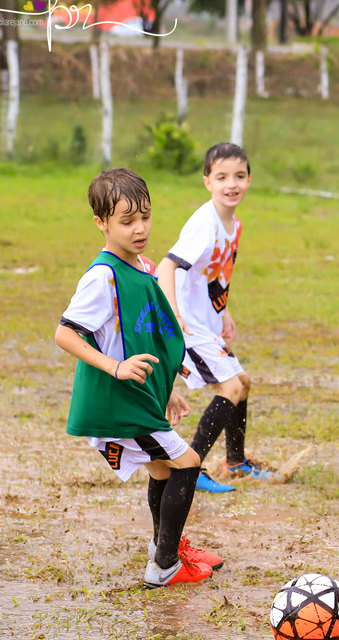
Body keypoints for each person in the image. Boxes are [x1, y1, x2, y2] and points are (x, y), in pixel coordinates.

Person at [55, 168, 222, 588]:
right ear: (102, 223)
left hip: (141, 398)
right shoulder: (102, 277)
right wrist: (116, 368)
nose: (140, 228)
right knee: (187, 463)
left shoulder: (142, 265)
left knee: (162, 470)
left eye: (145, 216)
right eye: (127, 221)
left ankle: (166, 547)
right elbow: (64, 333)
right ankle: (165, 564)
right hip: (118, 405)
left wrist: (166, 386)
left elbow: (145, 332)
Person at [157, 143, 273, 493]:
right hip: (185, 324)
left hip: (205, 321)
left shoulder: (233, 224)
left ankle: (235, 462)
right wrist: (175, 317)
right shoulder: (204, 223)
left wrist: (225, 312)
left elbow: (212, 274)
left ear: (249, 179)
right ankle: (192, 468)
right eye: (221, 177)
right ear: (207, 181)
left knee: (243, 382)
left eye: (238, 176)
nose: (231, 184)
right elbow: (166, 266)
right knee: (231, 387)